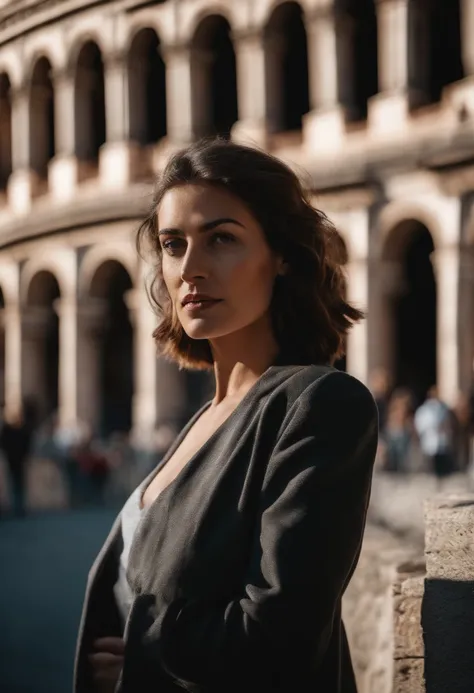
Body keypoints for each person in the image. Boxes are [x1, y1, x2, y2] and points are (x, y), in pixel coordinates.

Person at [74, 139, 378, 693]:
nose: (190, 268)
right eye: (173, 244)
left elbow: (282, 635)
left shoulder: (319, 404)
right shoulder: (205, 418)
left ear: (281, 254)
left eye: (221, 239)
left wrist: (144, 660)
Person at [414, 385, 455, 481]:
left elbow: (448, 424)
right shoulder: (424, 410)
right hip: (429, 444)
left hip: (442, 444)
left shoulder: (444, 409)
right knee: (430, 470)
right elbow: (420, 425)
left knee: (443, 471)